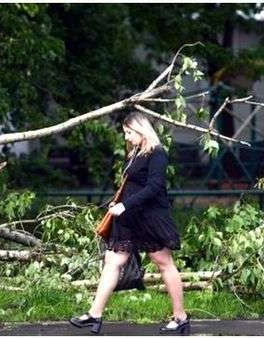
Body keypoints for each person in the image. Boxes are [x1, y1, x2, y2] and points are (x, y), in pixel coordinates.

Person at [69, 112, 189, 335]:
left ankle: (180, 318)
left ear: (142, 130)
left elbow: (154, 187)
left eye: (129, 132)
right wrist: (119, 205)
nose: (126, 137)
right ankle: (94, 315)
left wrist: (125, 205)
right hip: (128, 218)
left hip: (150, 217)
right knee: (112, 261)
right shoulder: (134, 154)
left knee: (164, 263)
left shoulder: (157, 153)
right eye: (125, 133)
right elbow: (131, 185)